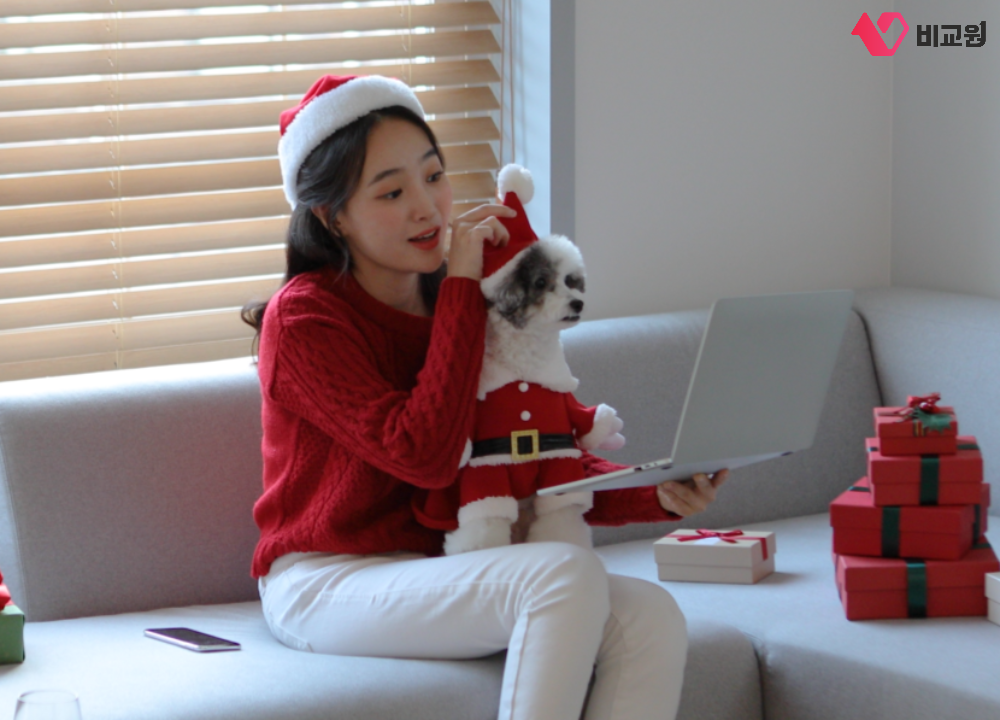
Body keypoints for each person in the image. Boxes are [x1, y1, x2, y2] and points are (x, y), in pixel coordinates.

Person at [241, 74, 728, 720]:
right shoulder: (306, 318)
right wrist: (464, 292)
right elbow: (425, 455)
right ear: (334, 218)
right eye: (392, 192)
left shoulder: (459, 297)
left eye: (434, 176)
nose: (428, 208)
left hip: (446, 567)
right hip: (328, 580)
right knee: (563, 575)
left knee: (651, 617)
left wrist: (655, 491)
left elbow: (525, 454)